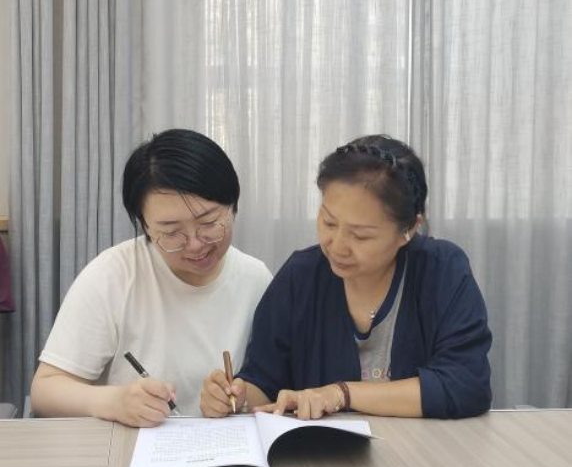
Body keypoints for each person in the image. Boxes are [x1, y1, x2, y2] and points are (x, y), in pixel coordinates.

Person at [201, 135, 492, 420]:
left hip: (422, 448)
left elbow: (465, 384)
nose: (337, 246)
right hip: (322, 452)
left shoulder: (441, 270)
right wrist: (236, 398)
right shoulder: (300, 276)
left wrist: (342, 394)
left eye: (360, 235)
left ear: (409, 229)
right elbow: (264, 381)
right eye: (329, 222)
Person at [31, 129, 272, 427]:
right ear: (145, 226)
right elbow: (45, 390)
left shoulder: (256, 279)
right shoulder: (114, 275)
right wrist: (115, 402)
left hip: (223, 447)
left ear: (233, 207)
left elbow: (271, 386)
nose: (195, 244)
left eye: (209, 223)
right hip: (128, 447)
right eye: (171, 232)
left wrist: (240, 400)